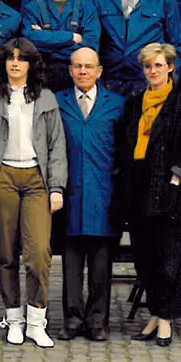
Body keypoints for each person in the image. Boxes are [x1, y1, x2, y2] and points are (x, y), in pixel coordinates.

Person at [0, 38, 68, 348]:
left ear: (32, 64)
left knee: (39, 252)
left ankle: (36, 321)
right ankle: (13, 319)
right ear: (3, 63)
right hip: (3, 176)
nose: (15, 63)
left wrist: (56, 187)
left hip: (36, 179)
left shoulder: (46, 99)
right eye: (10, 58)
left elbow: (57, 145)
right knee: (4, 253)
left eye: (22, 59)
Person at [118, 43, 181, 346]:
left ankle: (166, 320)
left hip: (170, 191)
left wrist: (175, 181)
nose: (153, 71)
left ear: (170, 68)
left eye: (158, 65)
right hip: (138, 188)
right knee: (144, 259)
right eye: (148, 67)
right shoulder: (133, 103)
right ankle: (155, 313)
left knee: (168, 261)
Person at [54, 47, 125, 341]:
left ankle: (97, 321)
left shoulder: (117, 105)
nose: (83, 71)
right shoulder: (57, 102)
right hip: (70, 193)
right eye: (77, 66)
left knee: (100, 264)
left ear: (99, 71)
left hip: (103, 194)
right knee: (70, 264)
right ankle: (72, 319)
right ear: (70, 70)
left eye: (89, 67)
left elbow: (123, 153)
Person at [95, 0, 181, 98]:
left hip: (149, 84)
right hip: (110, 85)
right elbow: (95, 44)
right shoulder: (101, 1)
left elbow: (175, 46)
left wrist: (171, 84)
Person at [20, 0, 100, 93]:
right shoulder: (32, 8)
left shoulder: (87, 9)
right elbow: (29, 43)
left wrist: (46, 41)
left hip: (76, 83)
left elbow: (90, 46)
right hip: (40, 83)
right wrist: (71, 37)